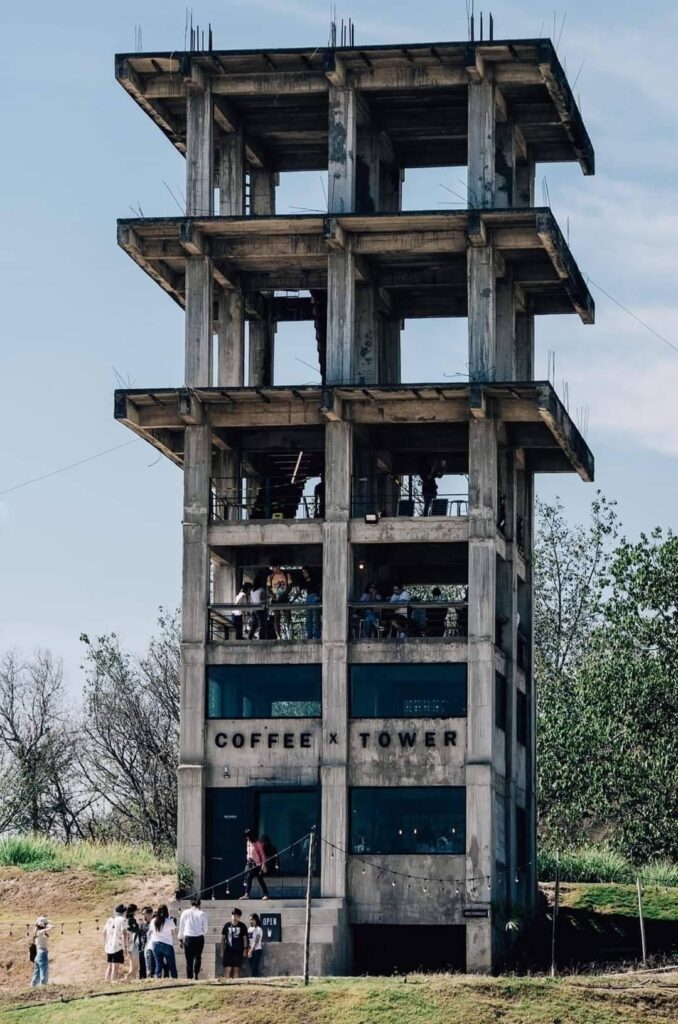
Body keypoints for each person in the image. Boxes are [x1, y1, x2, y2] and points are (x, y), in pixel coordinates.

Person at [178, 897, 208, 981]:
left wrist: (180, 939)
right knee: (198, 957)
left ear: (191, 904)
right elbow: (205, 928)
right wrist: (202, 933)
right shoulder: (202, 914)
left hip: (188, 938)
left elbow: (181, 927)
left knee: (189, 959)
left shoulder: (185, 913)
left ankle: (189, 977)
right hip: (199, 937)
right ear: (199, 904)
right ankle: (196, 975)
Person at [148, 905, 178, 979]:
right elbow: (174, 933)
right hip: (167, 944)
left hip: (156, 944)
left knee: (158, 964)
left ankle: (158, 979)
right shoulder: (169, 921)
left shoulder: (153, 921)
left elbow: (151, 932)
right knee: (171, 965)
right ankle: (174, 978)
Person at [221, 908, 249, 979]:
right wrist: (222, 950)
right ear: (231, 916)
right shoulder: (227, 925)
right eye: (234, 916)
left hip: (238, 951)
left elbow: (245, 938)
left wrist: (245, 949)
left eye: (237, 916)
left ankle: (235, 984)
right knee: (227, 968)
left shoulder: (242, 926)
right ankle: (226, 983)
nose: (235, 918)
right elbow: (223, 939)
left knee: (236, 969)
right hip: (228, 951)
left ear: (239, 917)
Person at [242, 828, 270, 899]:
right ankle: (247, 894)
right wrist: (248, 858)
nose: (247, 838)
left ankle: (266, 894)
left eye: (248, 836)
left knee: (259, 878)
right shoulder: (248, 842)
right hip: (250, 863)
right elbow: (248, 852)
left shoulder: (257, 843)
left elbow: (262, 854)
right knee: (248, 876)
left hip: (257, 864)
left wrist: (263, 864)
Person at [103, 904, 128, 982]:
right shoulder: (123, 920)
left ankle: (107, 981)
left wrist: (106, 942)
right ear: (124, 912)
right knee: (115, 968)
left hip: (109, 946)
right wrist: (125, 946)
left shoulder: (110, 920)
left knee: (109, 967)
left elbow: (104, 932)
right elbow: (124, 933)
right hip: (117, 945)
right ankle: (113, 981)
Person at [30, 916, 52, 987]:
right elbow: (52, 927)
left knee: (37, 974)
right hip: (42, 954)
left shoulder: (37, 932)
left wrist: (44, 925)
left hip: (38, 955)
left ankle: (33, 987)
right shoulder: (41, 932)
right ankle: (43, 987)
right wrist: (47, 925)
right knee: (44, 973)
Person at [138, 905, 154, 980]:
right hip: (143, 947)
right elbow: (139, 936)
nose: (144, 916)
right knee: (142, 966)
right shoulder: (141, 924)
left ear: (150, 914)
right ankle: (142, 979)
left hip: (152, 947)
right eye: (143, 914)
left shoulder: (154, 923)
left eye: (145, 914)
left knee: (151, 965)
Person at [125, 904, 141, 980]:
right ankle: (126, 979)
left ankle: (132, 980)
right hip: (133, 944)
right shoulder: (131, 920)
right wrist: (141, 928)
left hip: (130, 944)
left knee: (133, 967)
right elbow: (135, 931)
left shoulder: (127, 920)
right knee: (134, 968)